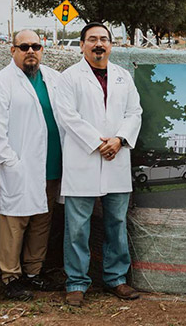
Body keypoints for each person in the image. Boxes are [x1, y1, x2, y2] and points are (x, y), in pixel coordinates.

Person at [55, 22, 142, 307]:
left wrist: (119, 140)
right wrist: (97, 142)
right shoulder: (69, 78)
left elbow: (134, 112)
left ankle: (116, 279)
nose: (98, 44)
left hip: (116, 157)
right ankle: (77, 283)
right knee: (77, 227)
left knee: (116, 223)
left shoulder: (123, 76)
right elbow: (68, 116)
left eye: (104, 39)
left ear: (111, 45)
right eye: (92, 39)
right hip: (84, 158)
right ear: (81, 45)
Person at [0, 30, 62, 301]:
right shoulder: (0, 83)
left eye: (36, 46)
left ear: (43, 50)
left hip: (50, 165)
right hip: (20, 166)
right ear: (12, 50)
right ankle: (10, 277)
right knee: (13, 224)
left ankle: (33, 272)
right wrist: (10, 163)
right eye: (24, 46)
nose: (31, 51)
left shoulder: (54, 78)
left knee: (42, 221)